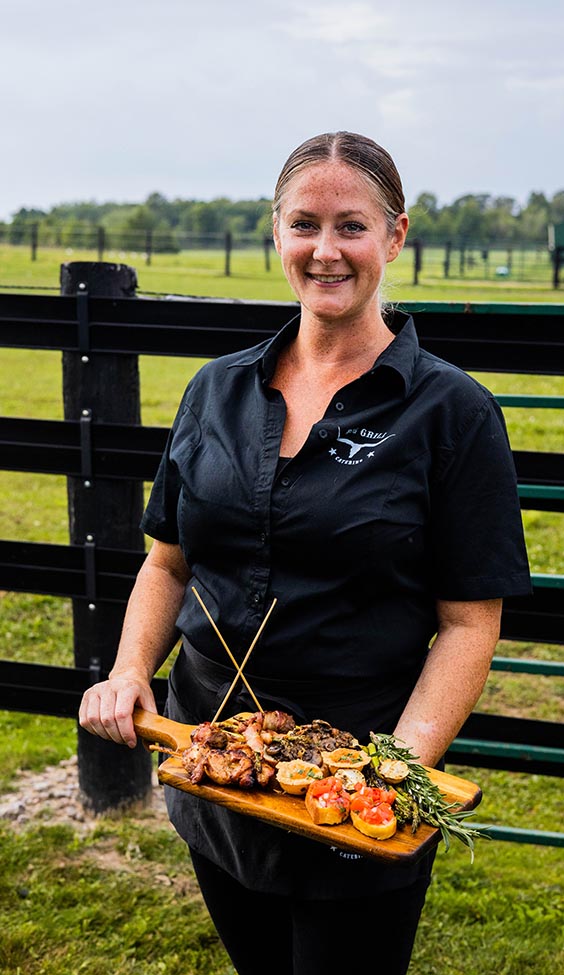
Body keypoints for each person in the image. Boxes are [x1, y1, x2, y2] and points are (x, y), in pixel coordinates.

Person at [79, 131, 531, 975]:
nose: (326, 251)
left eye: (351, 226)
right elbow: (167, 562)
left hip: (357, 786)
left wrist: (395, 768)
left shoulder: (452, 412)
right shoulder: (215, 389)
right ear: (275, 232)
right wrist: (132, 668)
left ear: (396, 237)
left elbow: (470, 622)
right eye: (304, 224)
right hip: (213, 767)